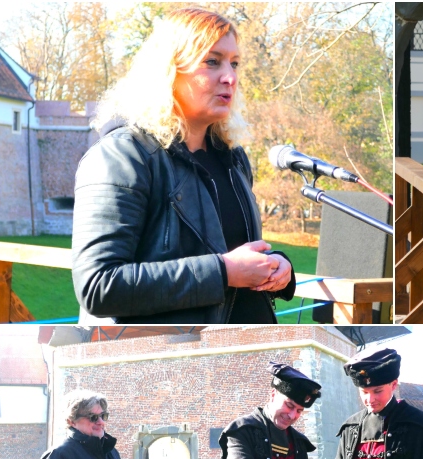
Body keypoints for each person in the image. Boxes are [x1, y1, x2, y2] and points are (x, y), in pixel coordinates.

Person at [73, 8, 295, 323]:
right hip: (169, 352)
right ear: (169, 71)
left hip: (248, 348)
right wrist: (223, 272)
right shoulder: (122, 156)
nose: (230, 77)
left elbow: (234, 252)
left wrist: (275, 266)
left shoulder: (233, 159)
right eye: (212, 61)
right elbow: (99, 286)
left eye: (234, 63)